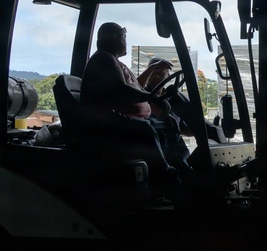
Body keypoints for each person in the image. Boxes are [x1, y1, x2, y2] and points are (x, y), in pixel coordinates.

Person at [79, 22, 191, 180]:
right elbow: (121, 90)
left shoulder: (116, 62)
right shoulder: (104, 58)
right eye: (124, 37)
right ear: (114, 38)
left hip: (126, 118)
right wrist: (152, 97)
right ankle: (165, 174)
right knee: (146, 127)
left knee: (169, 125)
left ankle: (183, 167)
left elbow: (139, 89)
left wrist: (160, 106)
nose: (126, 42)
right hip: (109, 122)